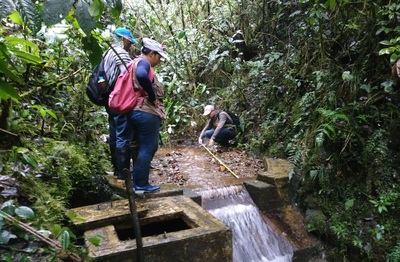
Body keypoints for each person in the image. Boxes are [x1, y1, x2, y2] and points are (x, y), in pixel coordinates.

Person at [115, 37, 169, 192]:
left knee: (139, 146)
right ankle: (140, 184)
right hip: (145, 111)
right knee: (149, 147)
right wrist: (152, 96)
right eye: (159, 57)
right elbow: (142, 75)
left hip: (133, 111)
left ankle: (136, 180)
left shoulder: (132, 62)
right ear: (151, 53)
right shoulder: (143, 63)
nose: (159, 61)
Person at [103, 28, 137, 180]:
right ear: (123, 39)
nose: (130, 45)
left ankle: (117, 171)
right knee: (124, 135)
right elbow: (129, 77)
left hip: (109, 99)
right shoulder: (121, 53)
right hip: (121, 99)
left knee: (114, 134)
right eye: (129, 41)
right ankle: (124, 173)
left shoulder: (106, 53)